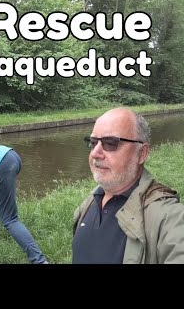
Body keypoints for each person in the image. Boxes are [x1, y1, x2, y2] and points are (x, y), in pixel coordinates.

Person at [72, 107, 184, 264]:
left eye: (110, 143)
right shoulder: (90, 201)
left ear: (141, 153)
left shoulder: (168, 217)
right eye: (92, 142)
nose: (95, 153)